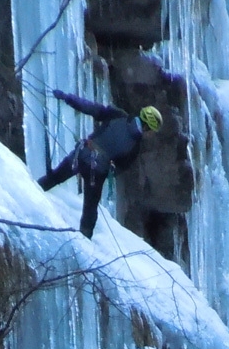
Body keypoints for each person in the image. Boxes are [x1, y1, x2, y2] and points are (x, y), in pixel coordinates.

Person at [38, 89, 163, 239]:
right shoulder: (135, 147)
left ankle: (29, 195)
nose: (150, 135)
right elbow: (118, 168)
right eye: (151, 131)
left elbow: (91, 108)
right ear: (147, 127)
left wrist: (67, 98)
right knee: (89, 212)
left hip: (81, 154)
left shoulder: (118, 115)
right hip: (97, 172)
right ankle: (84, 241)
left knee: (53, 178)